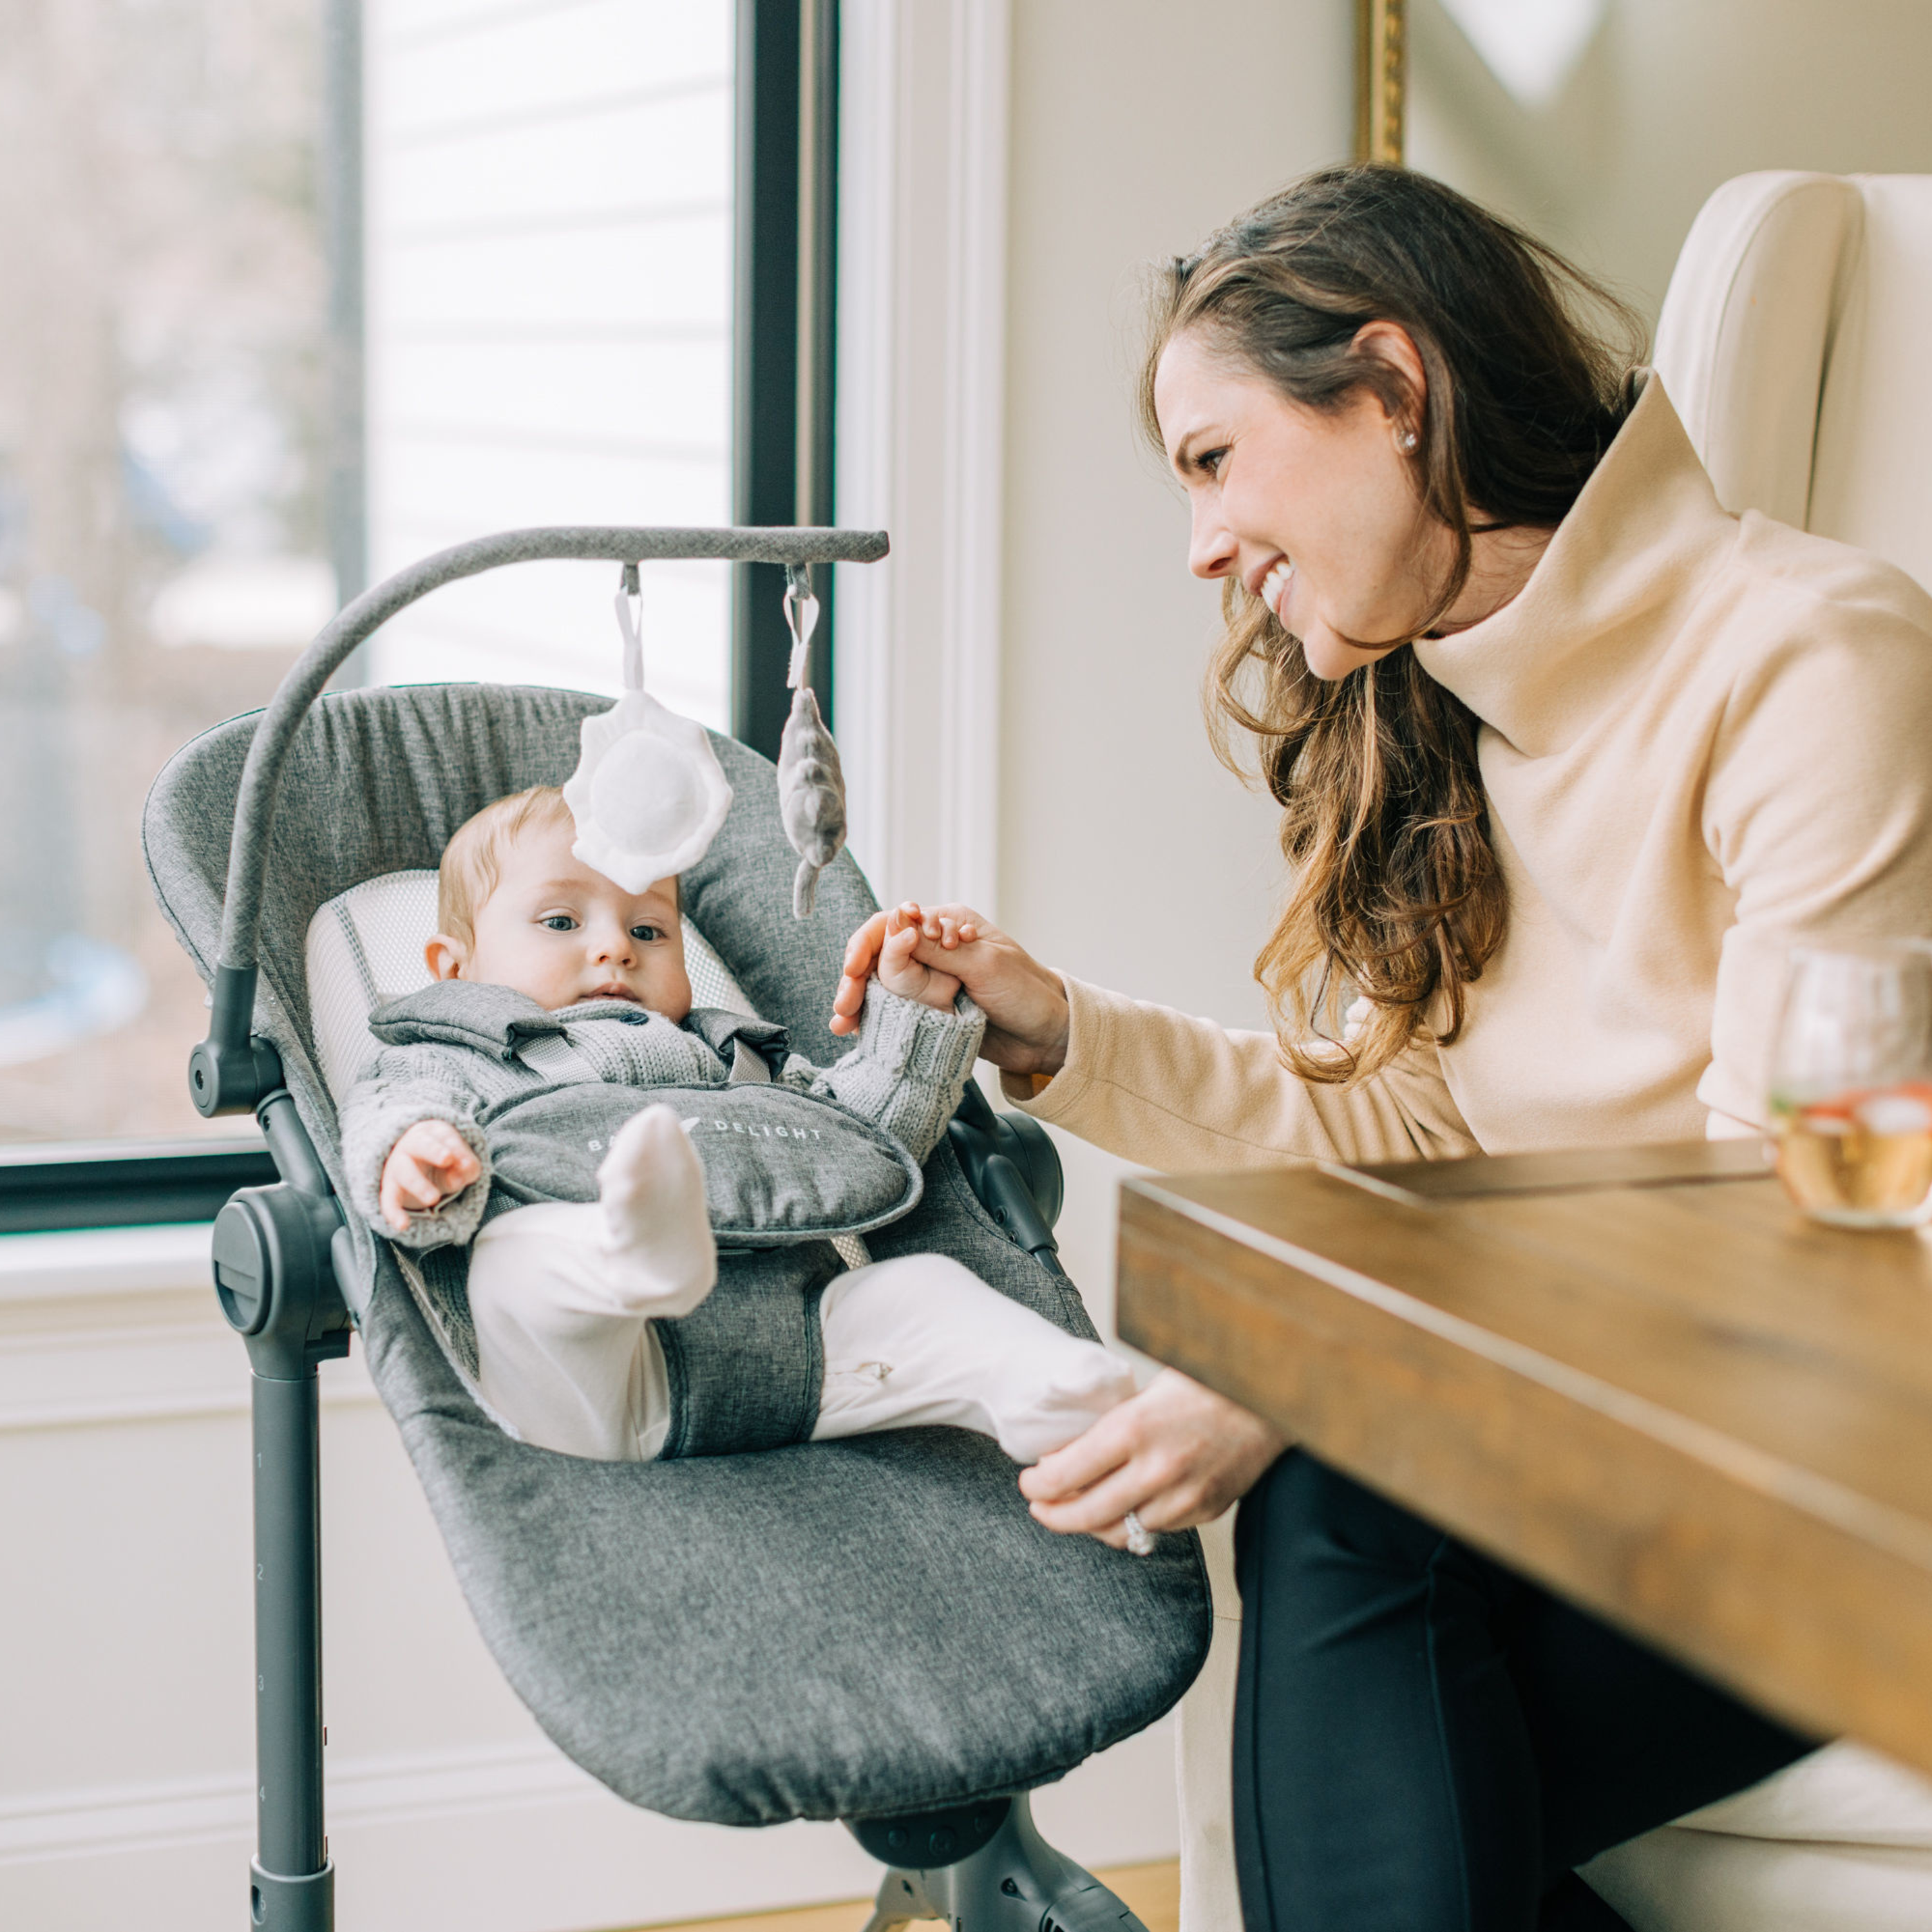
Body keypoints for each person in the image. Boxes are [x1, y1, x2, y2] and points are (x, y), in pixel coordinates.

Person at [833, 164, 1932, 1930]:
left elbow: (1774, 1225)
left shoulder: (1813, 655)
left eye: (1213, 460)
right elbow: (1399, 1121)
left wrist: (1307, 1366)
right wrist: (1062, 1036)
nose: (1199, 546)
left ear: (1394, 389)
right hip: (1607, 1474)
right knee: (1403, 1788)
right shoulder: (1443, 706)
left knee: (1341, 1513)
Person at [339, 784, 1135, 1466]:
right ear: (454, 967)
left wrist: (915, 1010)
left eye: (649, 931)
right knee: (518, 1267)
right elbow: (387, 1108)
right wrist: (413, 1158)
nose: (615, 947)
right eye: (560, 922)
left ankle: (1054, 1389)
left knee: (925, 1293)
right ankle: (634, 1245)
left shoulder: (738, 1060)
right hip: (598, 1388)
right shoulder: (450, 1055)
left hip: (801, 1360)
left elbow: (868, 1143)